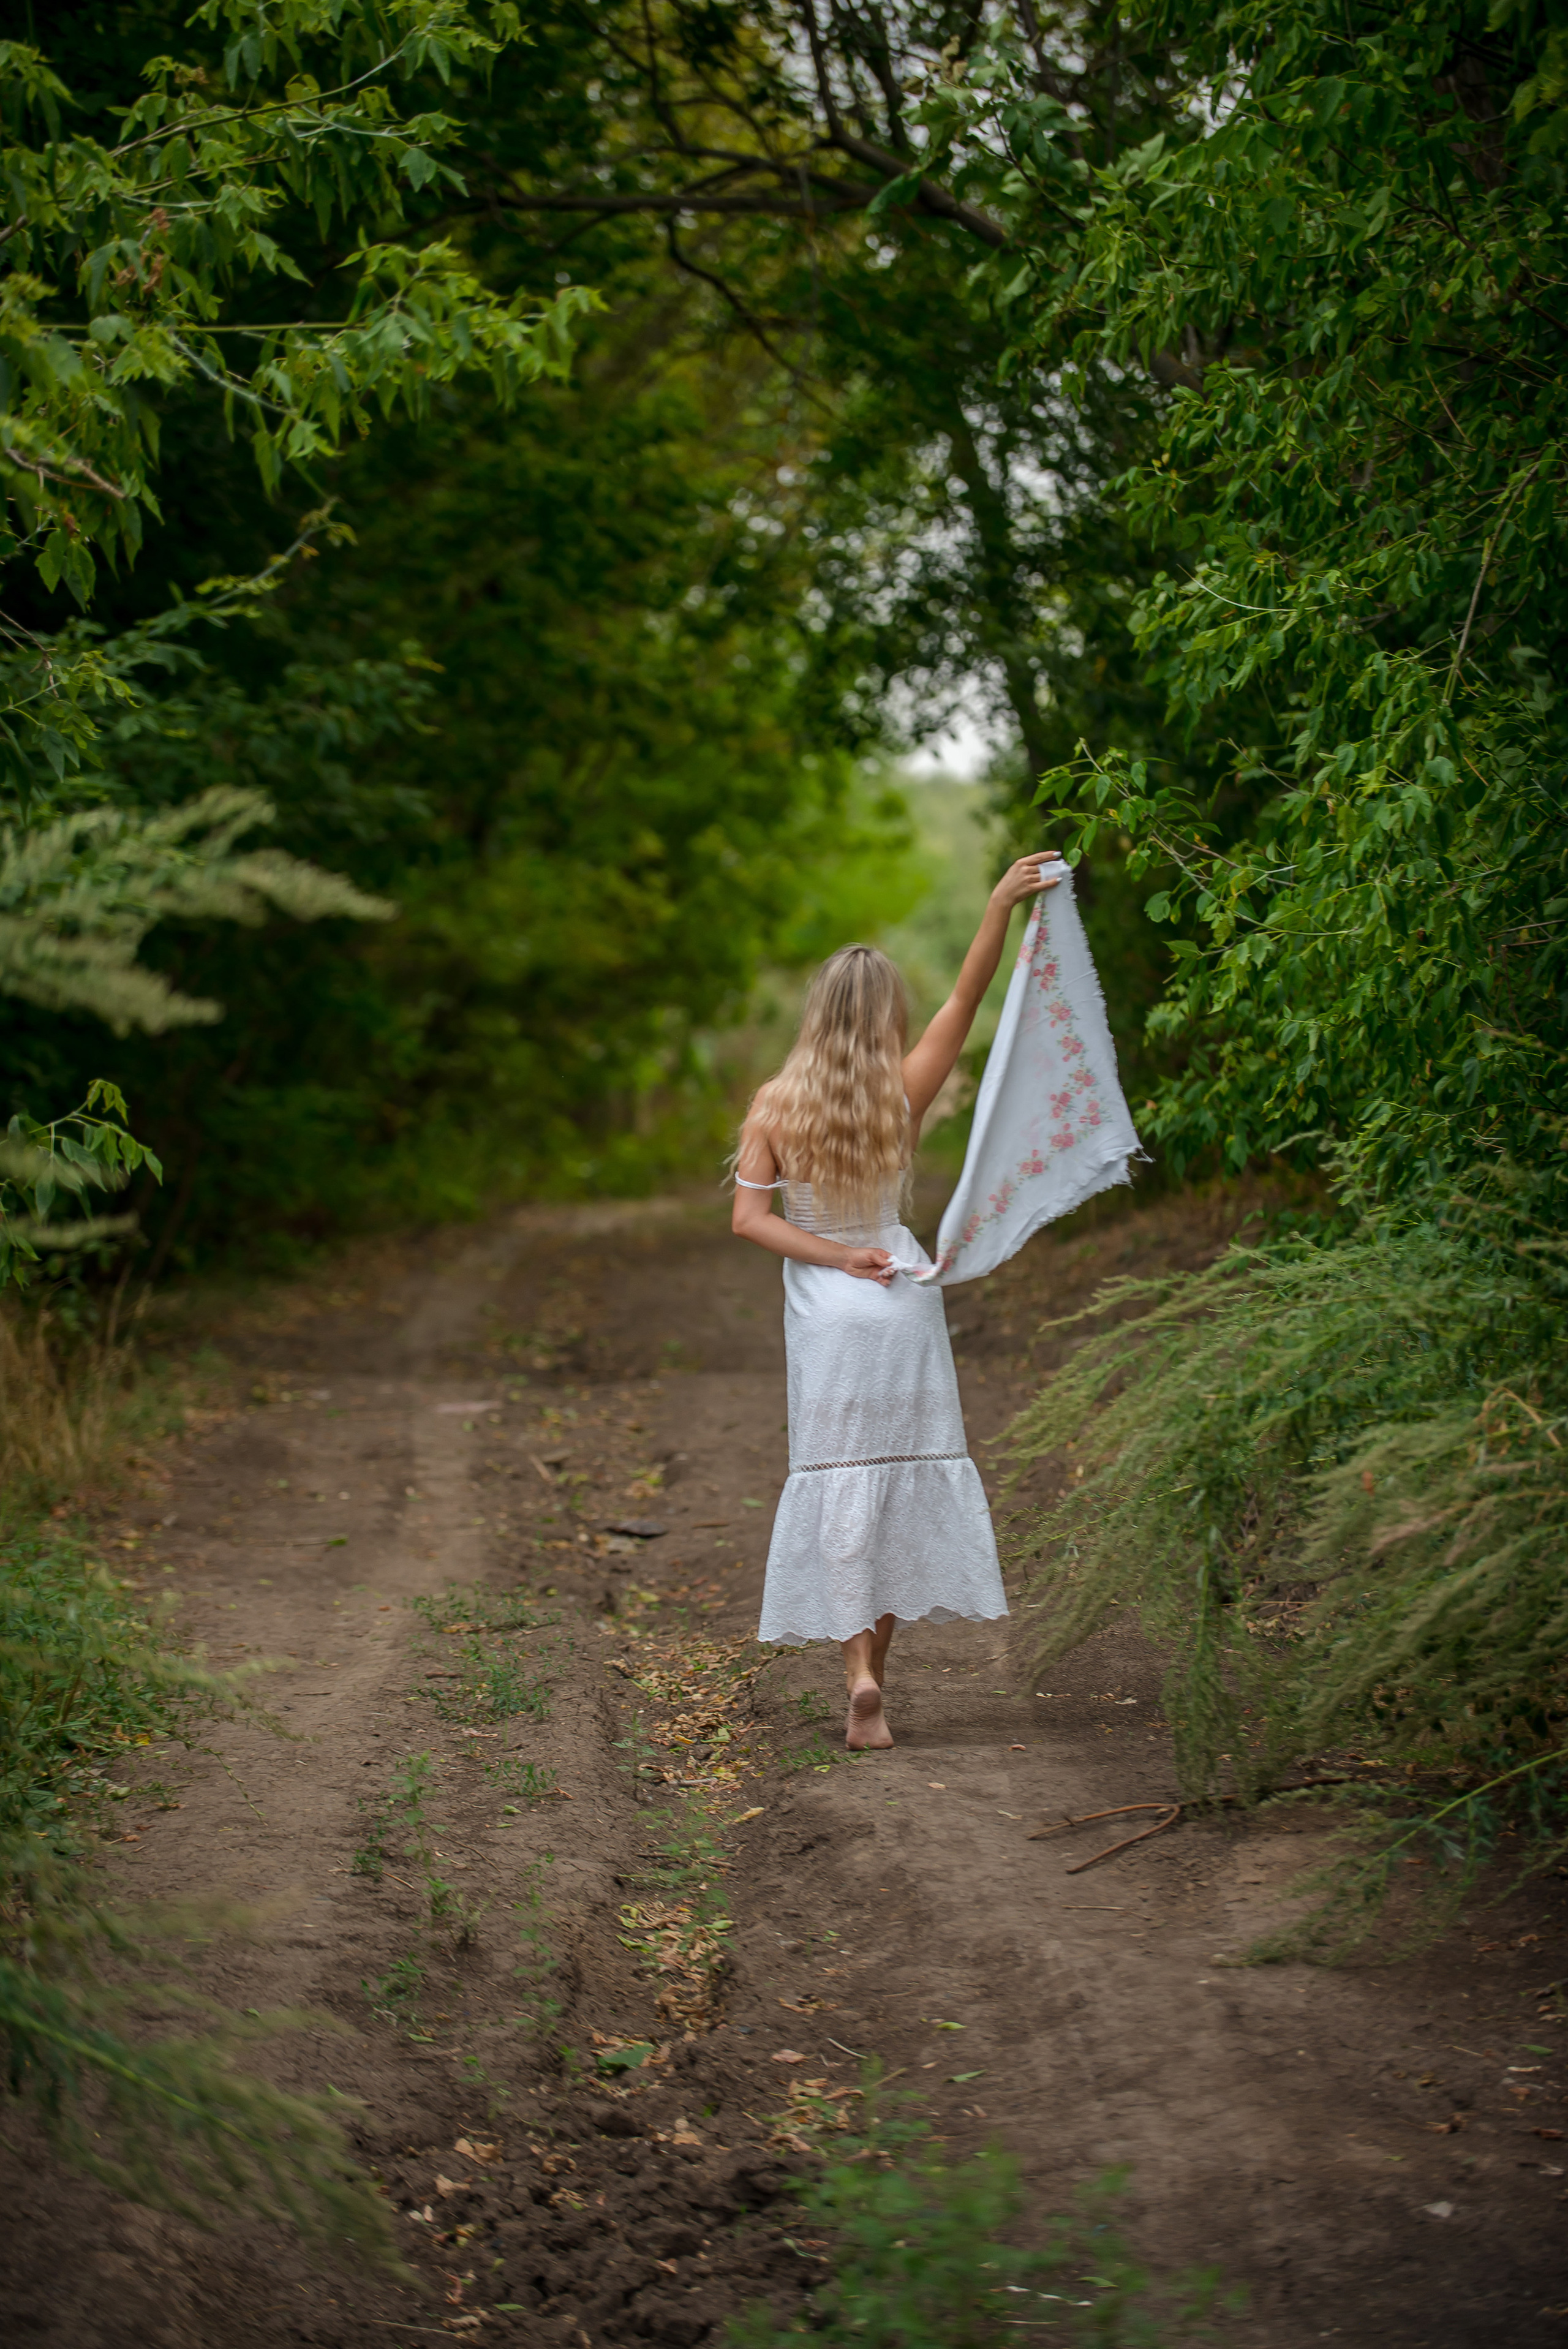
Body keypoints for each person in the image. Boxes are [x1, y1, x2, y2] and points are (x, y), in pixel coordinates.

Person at [732, 852, 1062, 1751]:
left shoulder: (774, 1104)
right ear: (885, 1018)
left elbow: (748, 1221)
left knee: (841, 1487)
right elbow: (968, 997)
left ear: (817, 1014)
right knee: (899, 1489)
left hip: (832, 1312)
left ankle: (857, 1677)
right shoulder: (900, 1091)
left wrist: (835, 1256)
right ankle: (881, 1672)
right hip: (903, 1303)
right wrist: (998, 904)